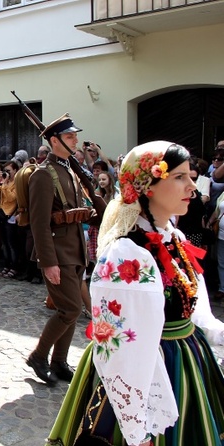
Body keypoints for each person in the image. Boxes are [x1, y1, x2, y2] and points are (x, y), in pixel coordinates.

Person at [48, 141, 224, 446]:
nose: (192, 187)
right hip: (139, 371)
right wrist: (135, 425)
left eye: (190, 177)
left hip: (186, 361)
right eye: (180, 177)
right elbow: (119, 345)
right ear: (148, 186)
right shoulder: (126, 255)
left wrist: (214, 334)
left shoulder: (175, 237)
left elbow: (196, 308)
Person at [26, 113, 89, 385]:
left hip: (75, 250)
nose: (76, 139)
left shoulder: (69, 170)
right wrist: (48, 261)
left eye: (75, 135)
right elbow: (39, 223)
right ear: (54, 140)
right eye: (70, 136)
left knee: (70, 310)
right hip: (58, 253)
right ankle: (39, 356)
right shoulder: (43, 174)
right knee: (71, 309)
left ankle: (59, 361)